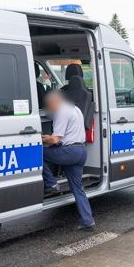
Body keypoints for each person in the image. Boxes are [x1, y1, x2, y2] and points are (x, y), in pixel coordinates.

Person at [41, 90, 95, 231]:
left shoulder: (61, 111)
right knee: (77, 189)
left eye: (49, 105)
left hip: (69, 152)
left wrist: (40, 139)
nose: (50, 109)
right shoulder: (75, 108)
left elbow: (55, 139)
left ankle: (51, 184)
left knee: (38, 154)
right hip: (81, 151)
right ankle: (88, 221)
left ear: (55, 102)